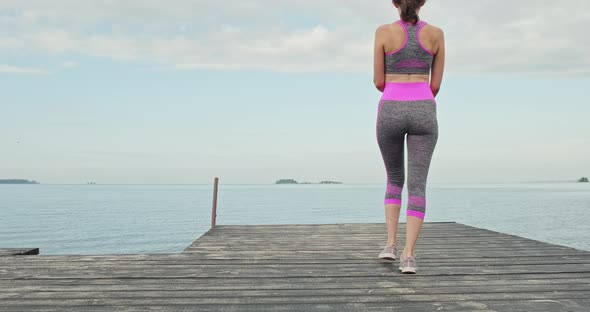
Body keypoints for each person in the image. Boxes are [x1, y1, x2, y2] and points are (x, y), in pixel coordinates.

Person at [373, 0, 445, 274]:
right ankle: (409, 256)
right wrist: (418, 99)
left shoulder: (383, 32)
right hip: (424, 109)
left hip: (390, 106)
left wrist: (398, 94)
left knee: (394, 179)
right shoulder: (436, 34)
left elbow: (378, 81)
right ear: (423, 2)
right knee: (418, 186)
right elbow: (435, 83)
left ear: (394, 2)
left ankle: (390, 244)